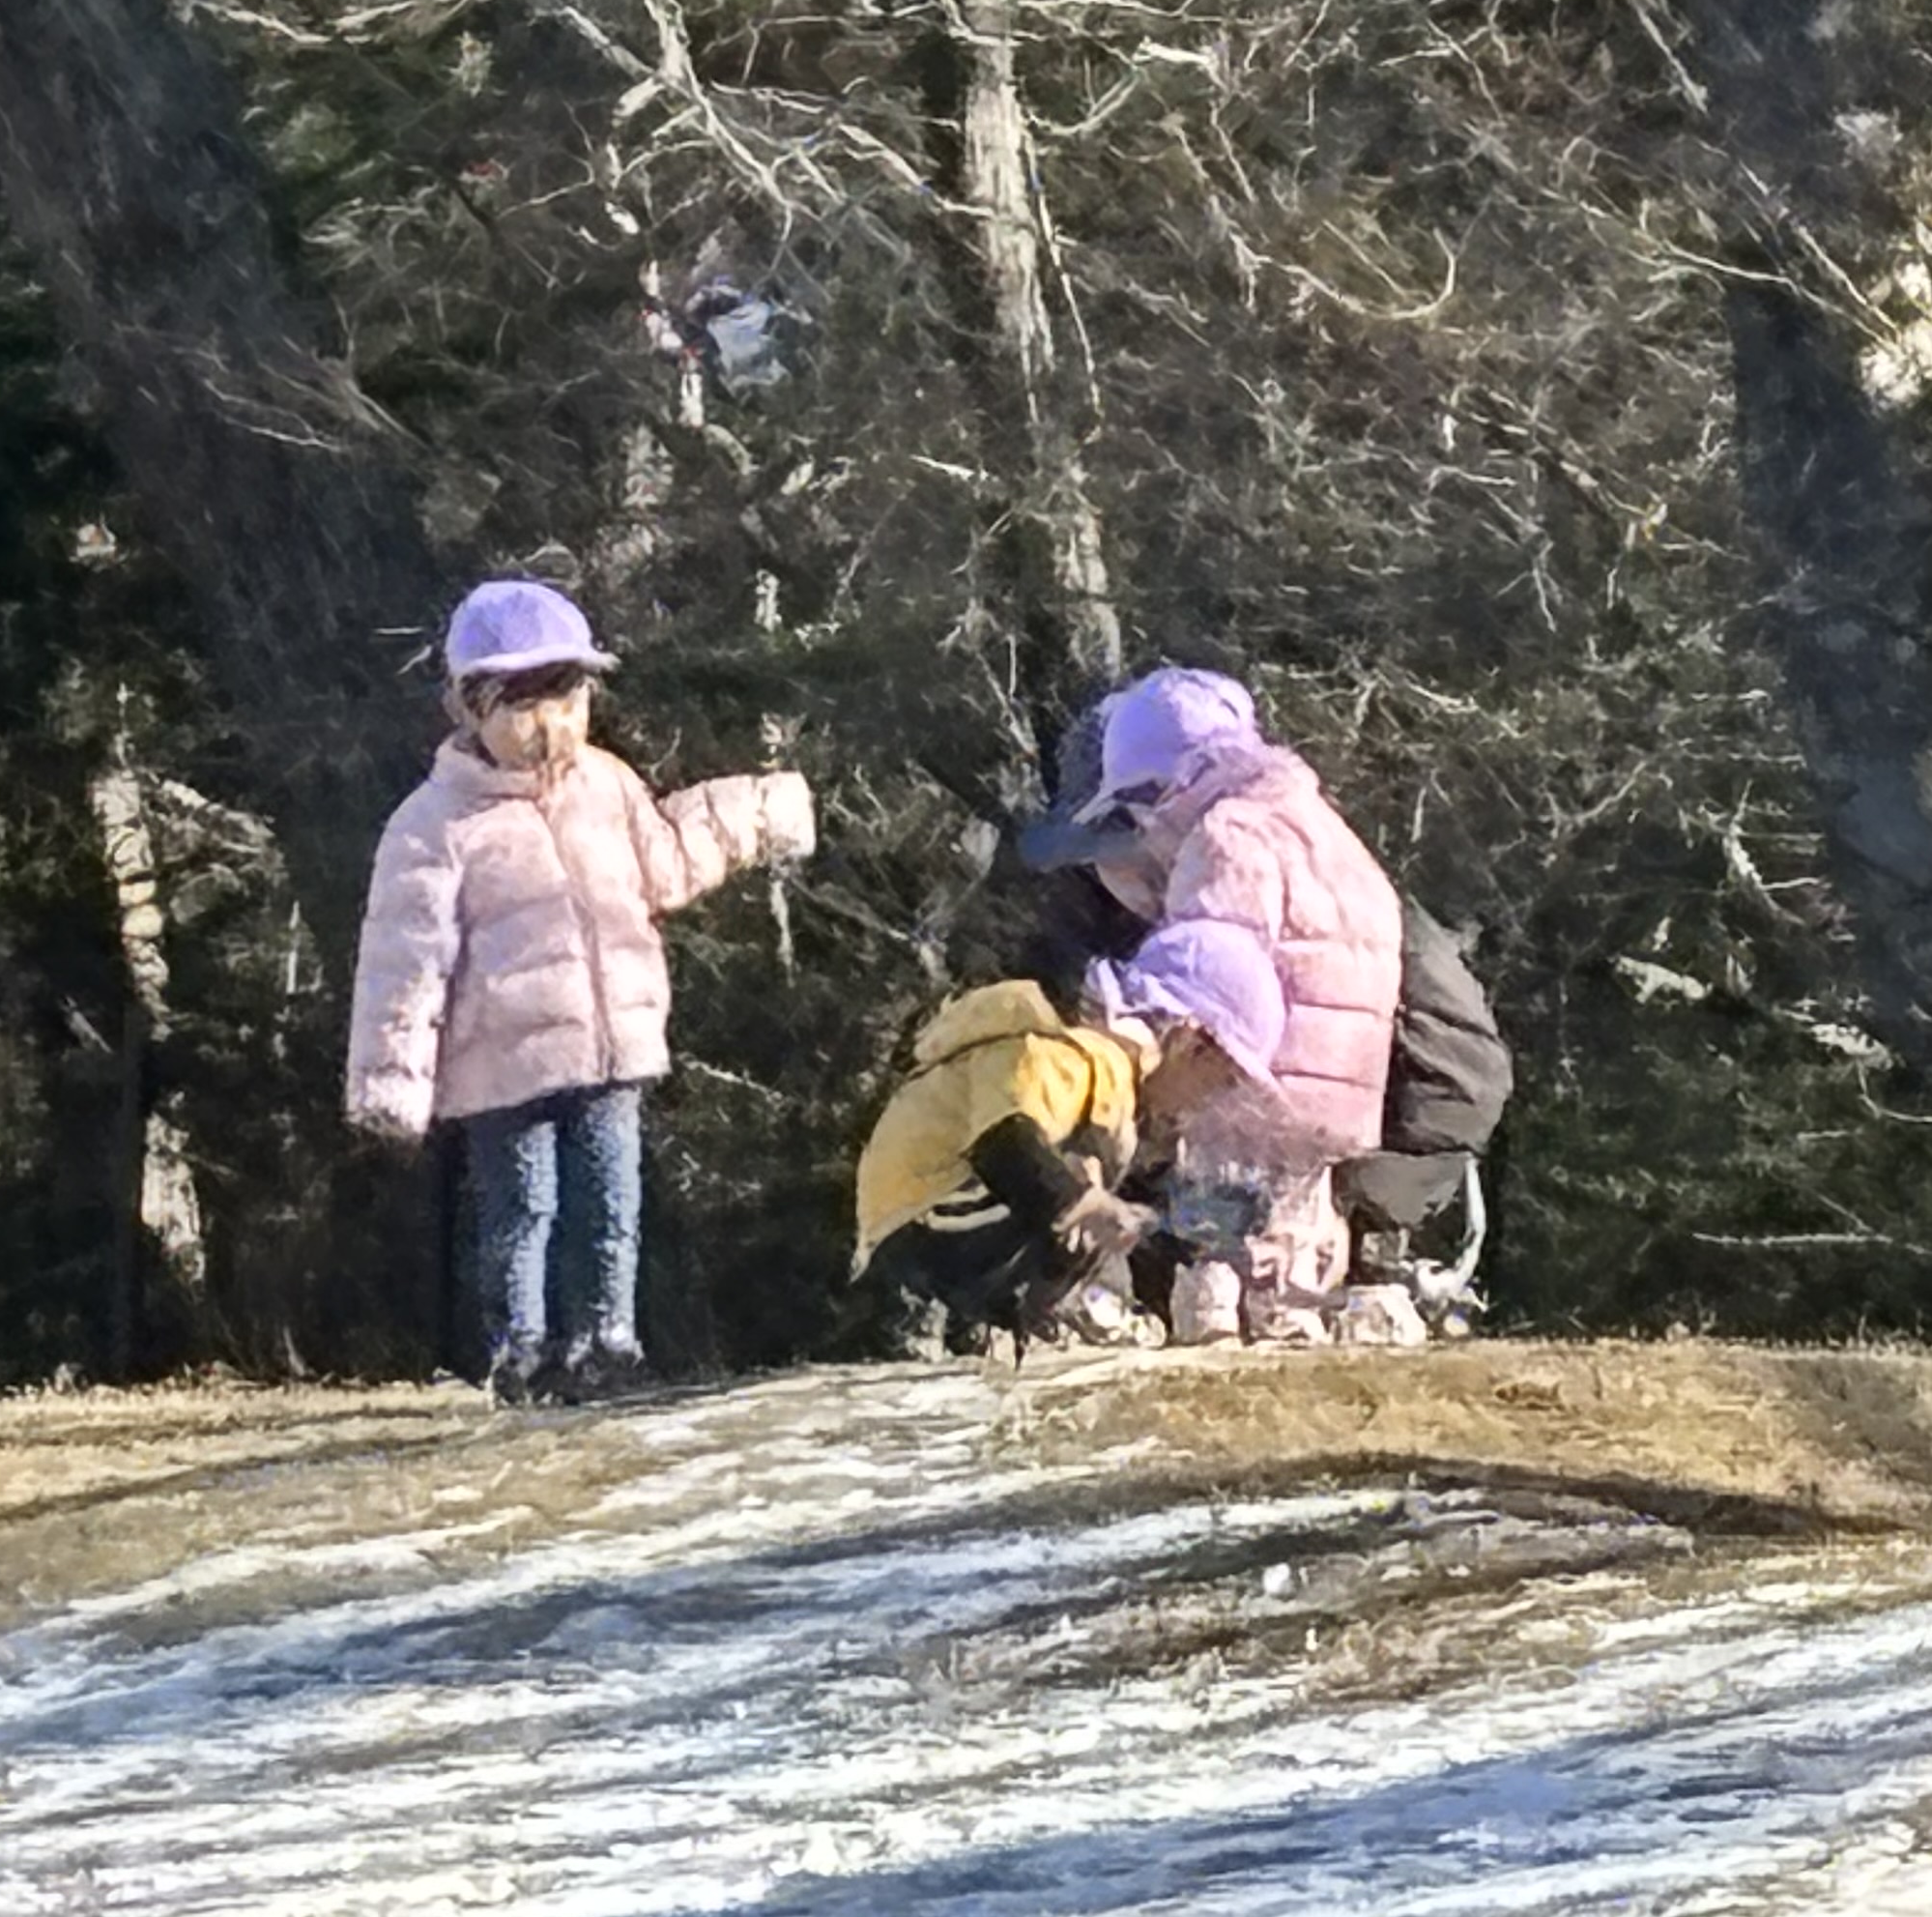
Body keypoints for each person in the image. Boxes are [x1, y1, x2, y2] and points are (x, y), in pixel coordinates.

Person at [345, 578, 815, 1401]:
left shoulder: (608, 786)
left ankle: (609, 1343)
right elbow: (404, 964)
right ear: (469, 709)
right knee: (523, 1210)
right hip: (504, 1067)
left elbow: (667, 859)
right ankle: (521, 1354)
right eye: (523, 707)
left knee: (611, 1205)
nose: (552, 726)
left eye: (569, 701)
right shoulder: (433, 826)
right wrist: (391, 1085)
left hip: (611, 1049)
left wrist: (763, 810)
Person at [1057, 665, 1403, 1345]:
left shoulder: (1227, 831)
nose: (1145, 815)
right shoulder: (1325, 828)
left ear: (1179, 775)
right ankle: (1292, 1319)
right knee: (1298, 1218)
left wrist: (1141, 1013)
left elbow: (1216, 959)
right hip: (1348, 1081)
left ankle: (1212, 1325)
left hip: (1255, 1072)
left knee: (1222, 1211)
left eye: (1146, 794)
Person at [848, 917, 1288, 1352]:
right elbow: (1004, 1144)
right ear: (1189, 1042)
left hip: (927, 1242)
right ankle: (959, 1323)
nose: (1213, 1101)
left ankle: (994, 1325)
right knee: (1074, 1209)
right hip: (910, 1243)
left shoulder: (1112, 1089)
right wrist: (1084, 1203)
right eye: (1224, 1080)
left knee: (1083, 1211)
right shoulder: (1080, 1064)